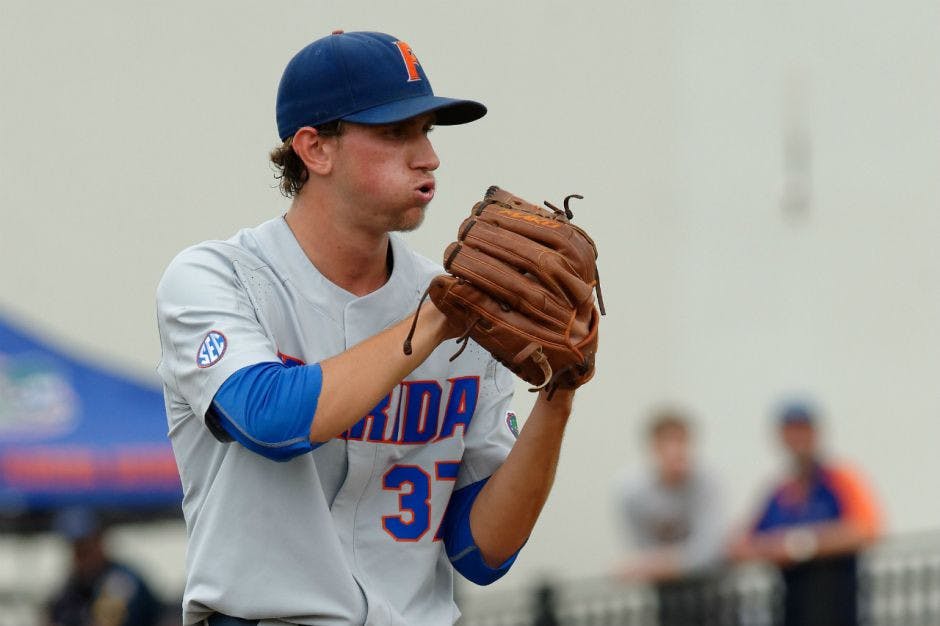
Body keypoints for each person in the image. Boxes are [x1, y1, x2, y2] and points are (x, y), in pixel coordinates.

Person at [155, 30, 582, 626]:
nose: (428, 155)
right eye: (394, 133)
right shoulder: (216, 277)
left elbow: (480, 551)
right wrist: (438, 316)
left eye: (427, 130)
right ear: (315, 149)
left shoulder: (461, 305)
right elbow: (271, 419)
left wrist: (558, 399)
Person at [729, 401, 883, 626]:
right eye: (791, 431)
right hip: (793, 609)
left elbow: (866, 528)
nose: (798, 438)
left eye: (803, 430)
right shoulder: (779, 492)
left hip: (837, 609)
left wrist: (801, 544)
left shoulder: (840, 479)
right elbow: (740, 545)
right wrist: (775, 549)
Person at [615, 408, 730, 626]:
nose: (677, 451)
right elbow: (639, 549)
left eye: (682, 442)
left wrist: (655, 565)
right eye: (669, 442)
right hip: (665, 595)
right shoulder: (630, 490)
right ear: (654, 447)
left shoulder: (708, 481)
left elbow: (710, 551)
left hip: (712, 591)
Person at [46, 507, 161, 626]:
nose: (80, 556)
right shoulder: (71, 588)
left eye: (85, 548)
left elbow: (108, 620)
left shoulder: (121, 579)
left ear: (99, 542)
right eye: (75, 548)